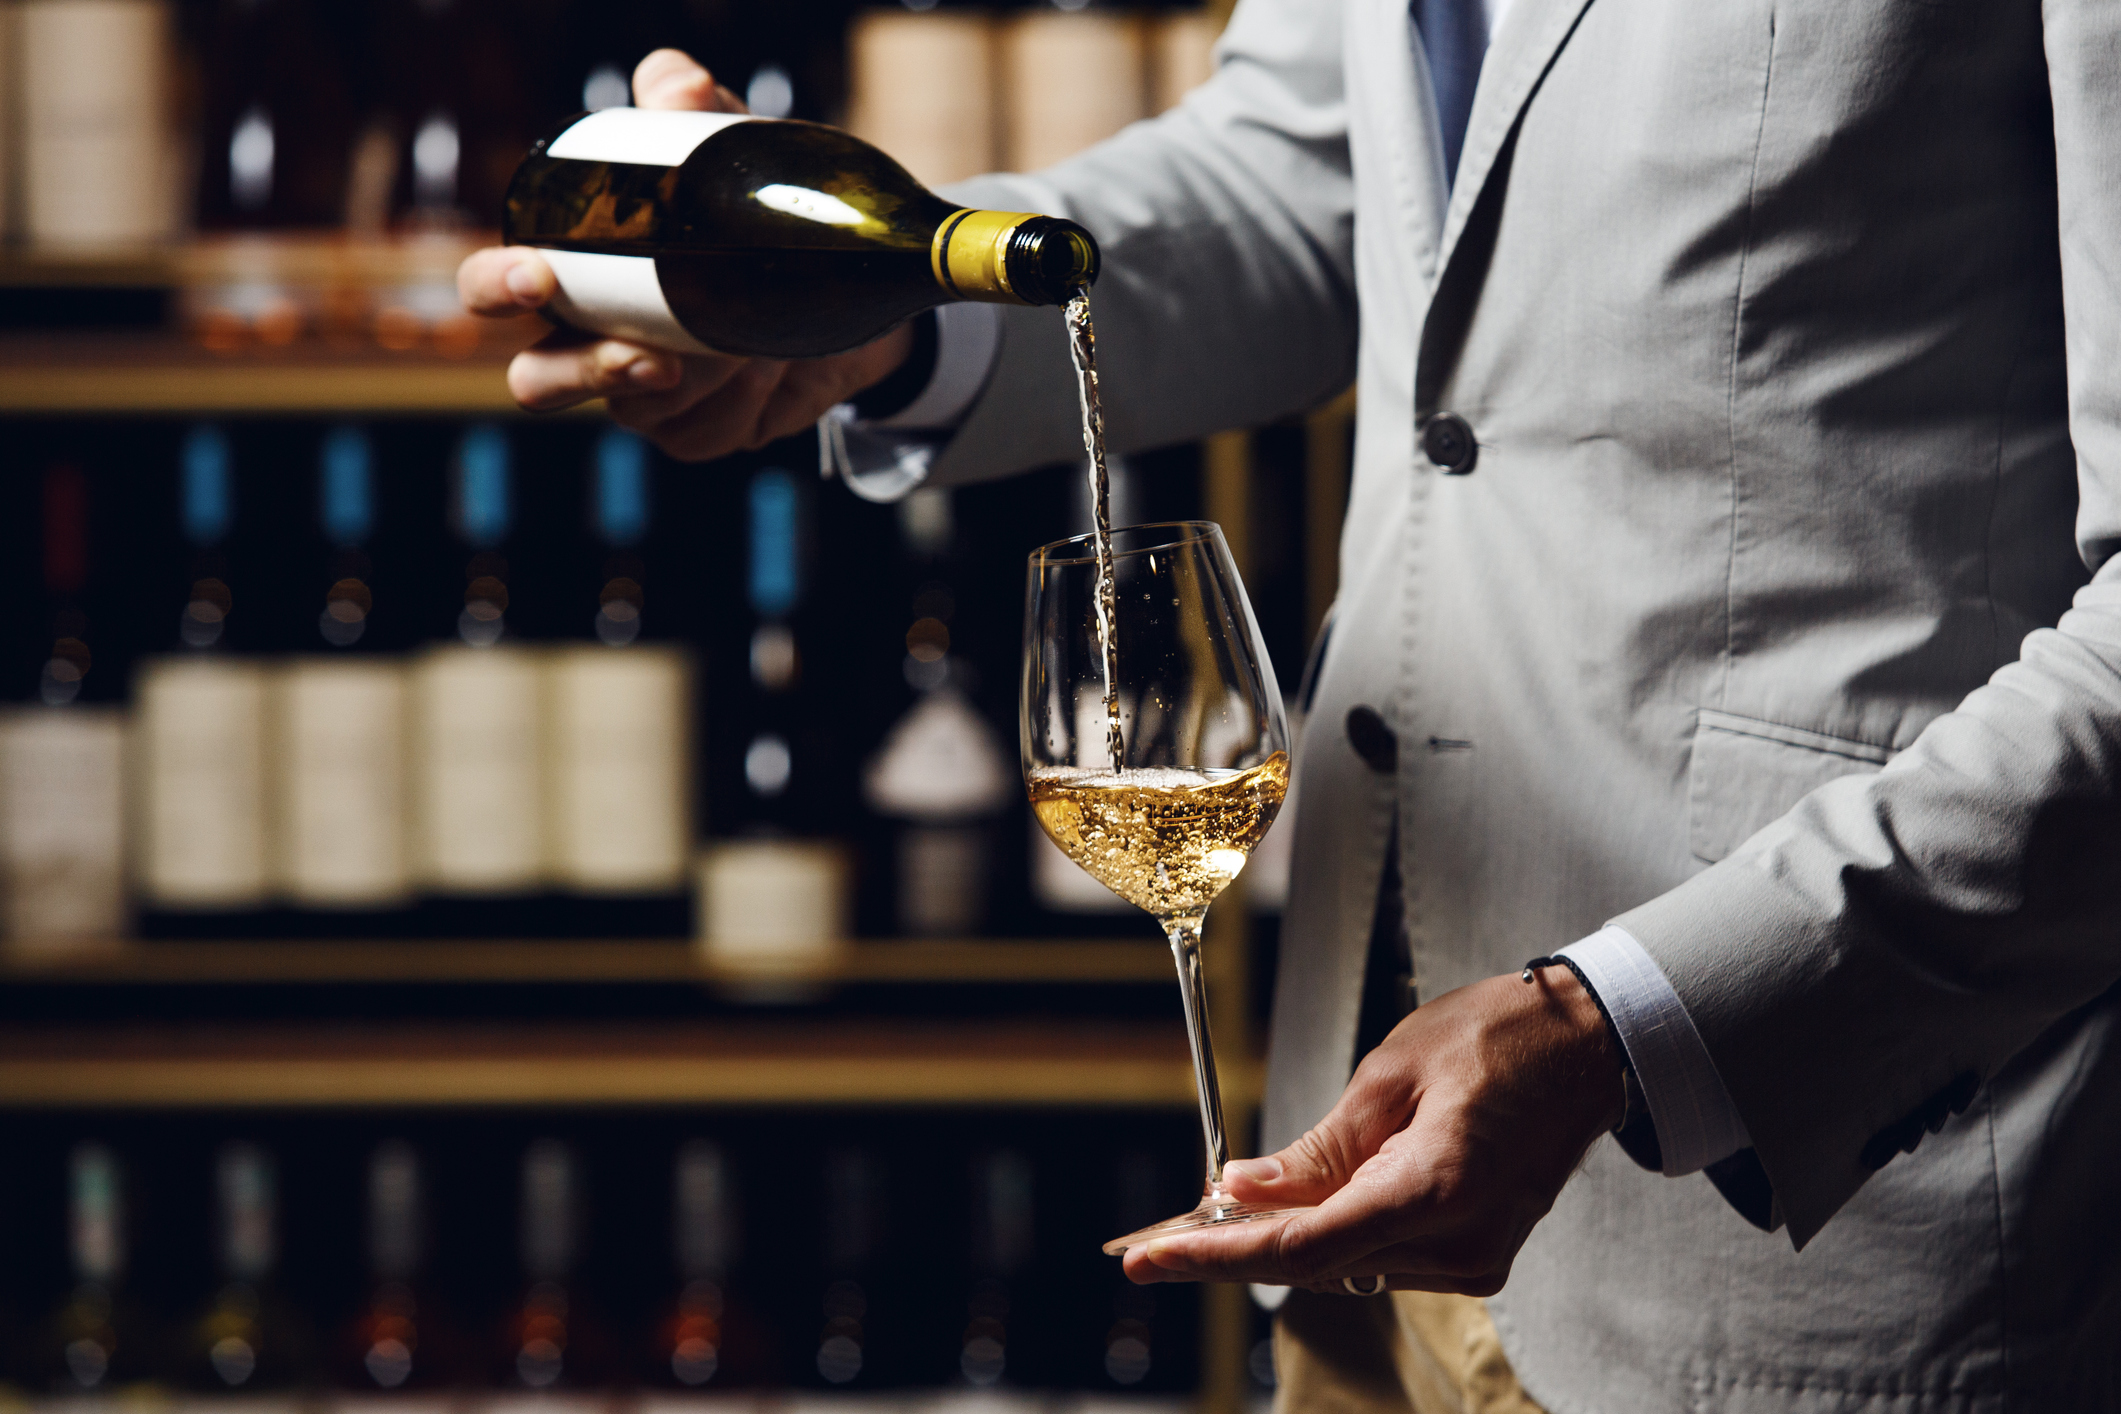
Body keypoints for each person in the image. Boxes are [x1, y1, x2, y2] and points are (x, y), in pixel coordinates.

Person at [460, 3, 2121, 1406]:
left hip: (1807, 1196)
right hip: (1357, 1162)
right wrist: (885, 329)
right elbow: (1306, 171)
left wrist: (1632, 1015)